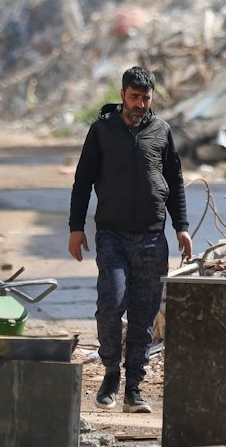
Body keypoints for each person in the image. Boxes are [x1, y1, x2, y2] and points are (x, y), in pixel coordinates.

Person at [68, 65, 192, 413]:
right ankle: (110, 373)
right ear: (123, 94)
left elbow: (175, 182)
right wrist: (76, 228)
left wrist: (181, 226)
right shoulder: (101, 132)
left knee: (144, 316)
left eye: (146, 98)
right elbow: (82, 183)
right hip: (113, 238)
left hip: (153, 240)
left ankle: (133, 387)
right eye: (135, 97)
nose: (140, 104)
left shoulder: (161, 132)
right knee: (111, 304)